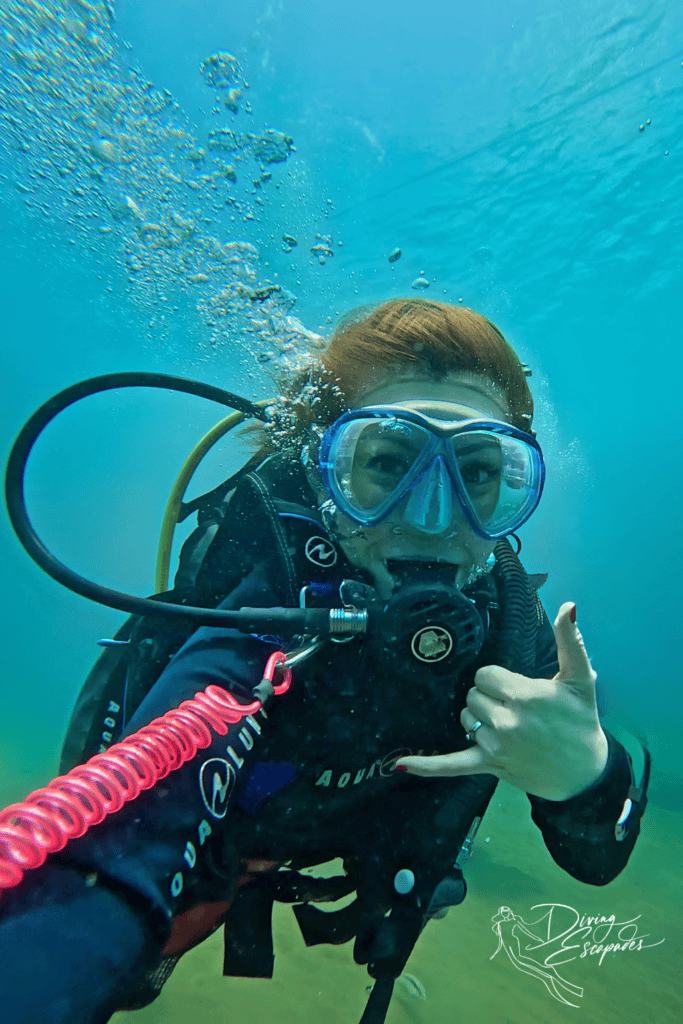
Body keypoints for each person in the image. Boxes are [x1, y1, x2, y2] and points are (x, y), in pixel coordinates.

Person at [0, 299, 648, 1024]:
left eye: (476, 474)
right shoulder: (266, 595)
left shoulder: (508, 626)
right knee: (143, 957)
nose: (432, 517)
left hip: (365, 842)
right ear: (325, 479)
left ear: (511, 491)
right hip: (229, 842)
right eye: (386, 464)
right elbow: (125, 844)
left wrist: (585, 774)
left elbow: (598, 861)